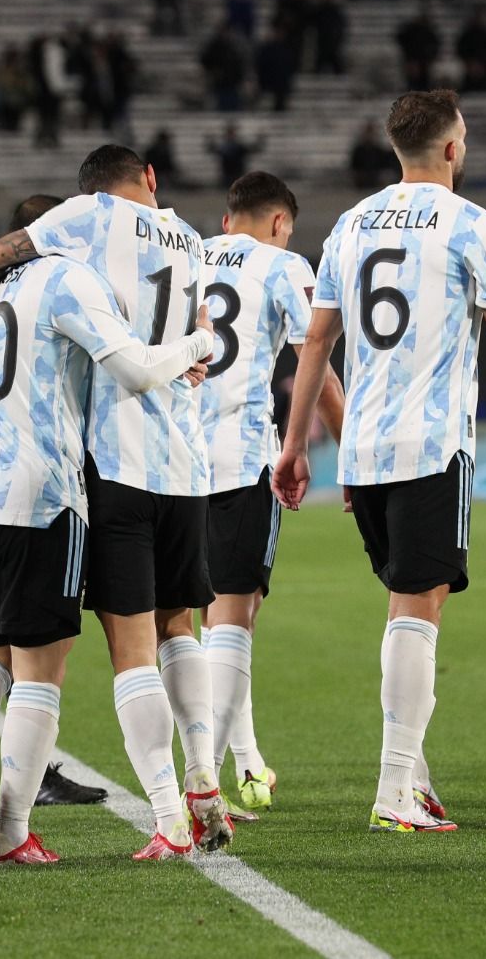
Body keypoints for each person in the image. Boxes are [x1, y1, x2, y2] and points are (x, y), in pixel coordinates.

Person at [272, 89, 486, 834]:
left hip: (364, 448)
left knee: (410, 604)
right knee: (418, 609)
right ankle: (393, 790)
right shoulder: (470, 224)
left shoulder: (350, 224)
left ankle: (413, 774)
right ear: (450, 148)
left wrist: (294, 444)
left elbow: (316, 344)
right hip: (431, 444)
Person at [0, 148, 234, 859]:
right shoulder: (190, 239)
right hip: (187, 462)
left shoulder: (79, 226)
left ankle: (169, 818)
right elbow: (199, 334)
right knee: (181, 626)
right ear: (151, 179)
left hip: (111, 465)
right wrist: (196, 346)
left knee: (128, 652)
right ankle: (204, 778)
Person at [197, 171, 346, 818]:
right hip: (239, 459)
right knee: (233, 616)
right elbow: (315, 355)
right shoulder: (283, 265)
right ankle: (201, 784)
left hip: (171, 463)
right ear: (281, 223)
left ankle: (246, 759)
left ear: (227, 220)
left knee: (207, 620)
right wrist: (349, 452)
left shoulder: (185, 256)